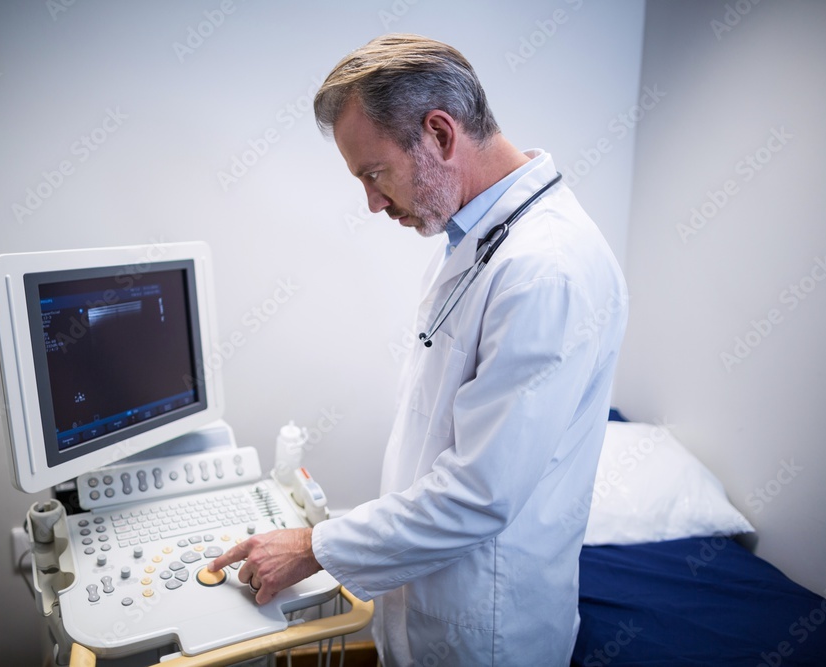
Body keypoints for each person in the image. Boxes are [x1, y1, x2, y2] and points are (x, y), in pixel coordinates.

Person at [211, 33, 628, 666]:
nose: (373, 203)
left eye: (374, 174)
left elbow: (479, 494)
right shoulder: (478, 239)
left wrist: (313, 546)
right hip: (429, 594)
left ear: (439, 134)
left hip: (486, 627)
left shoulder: (547, 270)